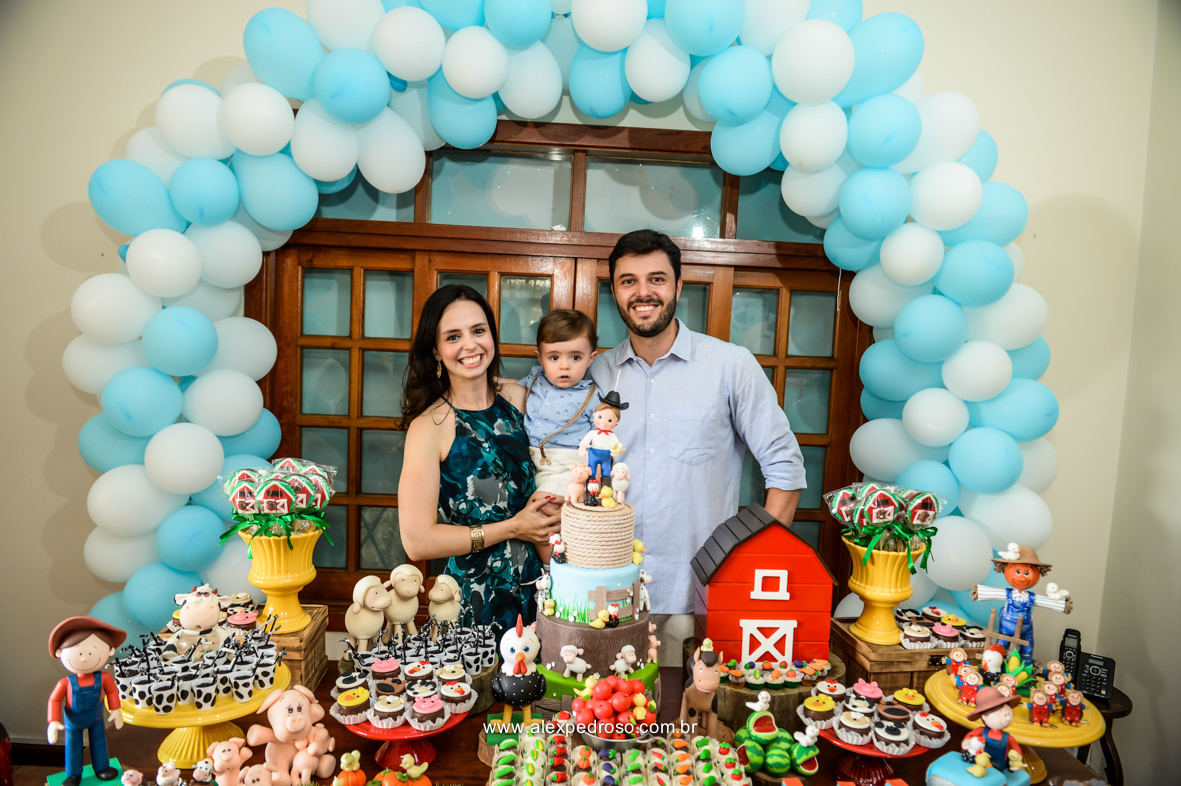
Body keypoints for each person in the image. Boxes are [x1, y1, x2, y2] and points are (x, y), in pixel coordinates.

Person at [589, 229, 806, 661]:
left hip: (696, 598)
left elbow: (785, 469)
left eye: (657, 279)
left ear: (678, 286)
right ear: (613, 290)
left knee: (687, 722)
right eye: (628, 281)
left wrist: (747, 570)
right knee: (607, 718)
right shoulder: (594, 373)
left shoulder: (730, 365)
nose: (643, 292)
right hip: (605, 593)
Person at [398, 285, 562, 634]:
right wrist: (512, 527)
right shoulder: (429, 427)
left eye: (478, 331)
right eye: (453, 336)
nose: (470, 345)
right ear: (437, 351)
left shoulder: (520, 398)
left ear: (491, 335)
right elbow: (416, 541)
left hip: (543, 591)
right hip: (472, 601)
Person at [518, 310, 600, 497]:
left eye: (575, 357)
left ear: (591, 358)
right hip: (530, 465)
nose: (564, 366)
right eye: (554, 358)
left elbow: (599, 439)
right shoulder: (535, 379)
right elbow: (507, 389)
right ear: (540, 358)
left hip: (567, 470)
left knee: (540, 506)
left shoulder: (592, 395)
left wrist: (597, 477)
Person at [46, 616, 127, 786]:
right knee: (73, 746)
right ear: (60, 653)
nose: (84, 658)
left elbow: (112, 692)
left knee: (99, 742)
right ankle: (74, 774)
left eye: (91, 653)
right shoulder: (65, 683)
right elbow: (54, 701)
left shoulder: (104, 678)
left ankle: (102, 768)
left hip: (96, 719)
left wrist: (116, 710)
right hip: (73, 722)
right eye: (80, 653)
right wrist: (53, 721)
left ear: (110, 651)